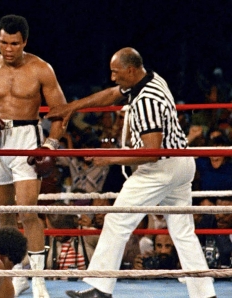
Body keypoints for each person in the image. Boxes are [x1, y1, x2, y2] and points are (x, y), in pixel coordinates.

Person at [46, 47, 216, 298]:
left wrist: (109, 159)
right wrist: (73, 106)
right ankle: (205, 293)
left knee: (116, 220)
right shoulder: (149, 79)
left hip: (161, 167)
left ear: (131, 70)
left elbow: (152, 151)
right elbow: (113, 93)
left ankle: (101, 288)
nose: (113, 77)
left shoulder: (148, 100)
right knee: (182, 230)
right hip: (180, 162)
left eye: (116, 72)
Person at [0, 14, 66, 298]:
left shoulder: (41, 69)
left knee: (27, 212)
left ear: (24, 41)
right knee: (4, 216)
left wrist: (51, 145)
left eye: (14, 43)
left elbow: (60, 111)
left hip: (26, 138)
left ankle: (38, 280)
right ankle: (13, 276)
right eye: (3, 42)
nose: (8, 49)